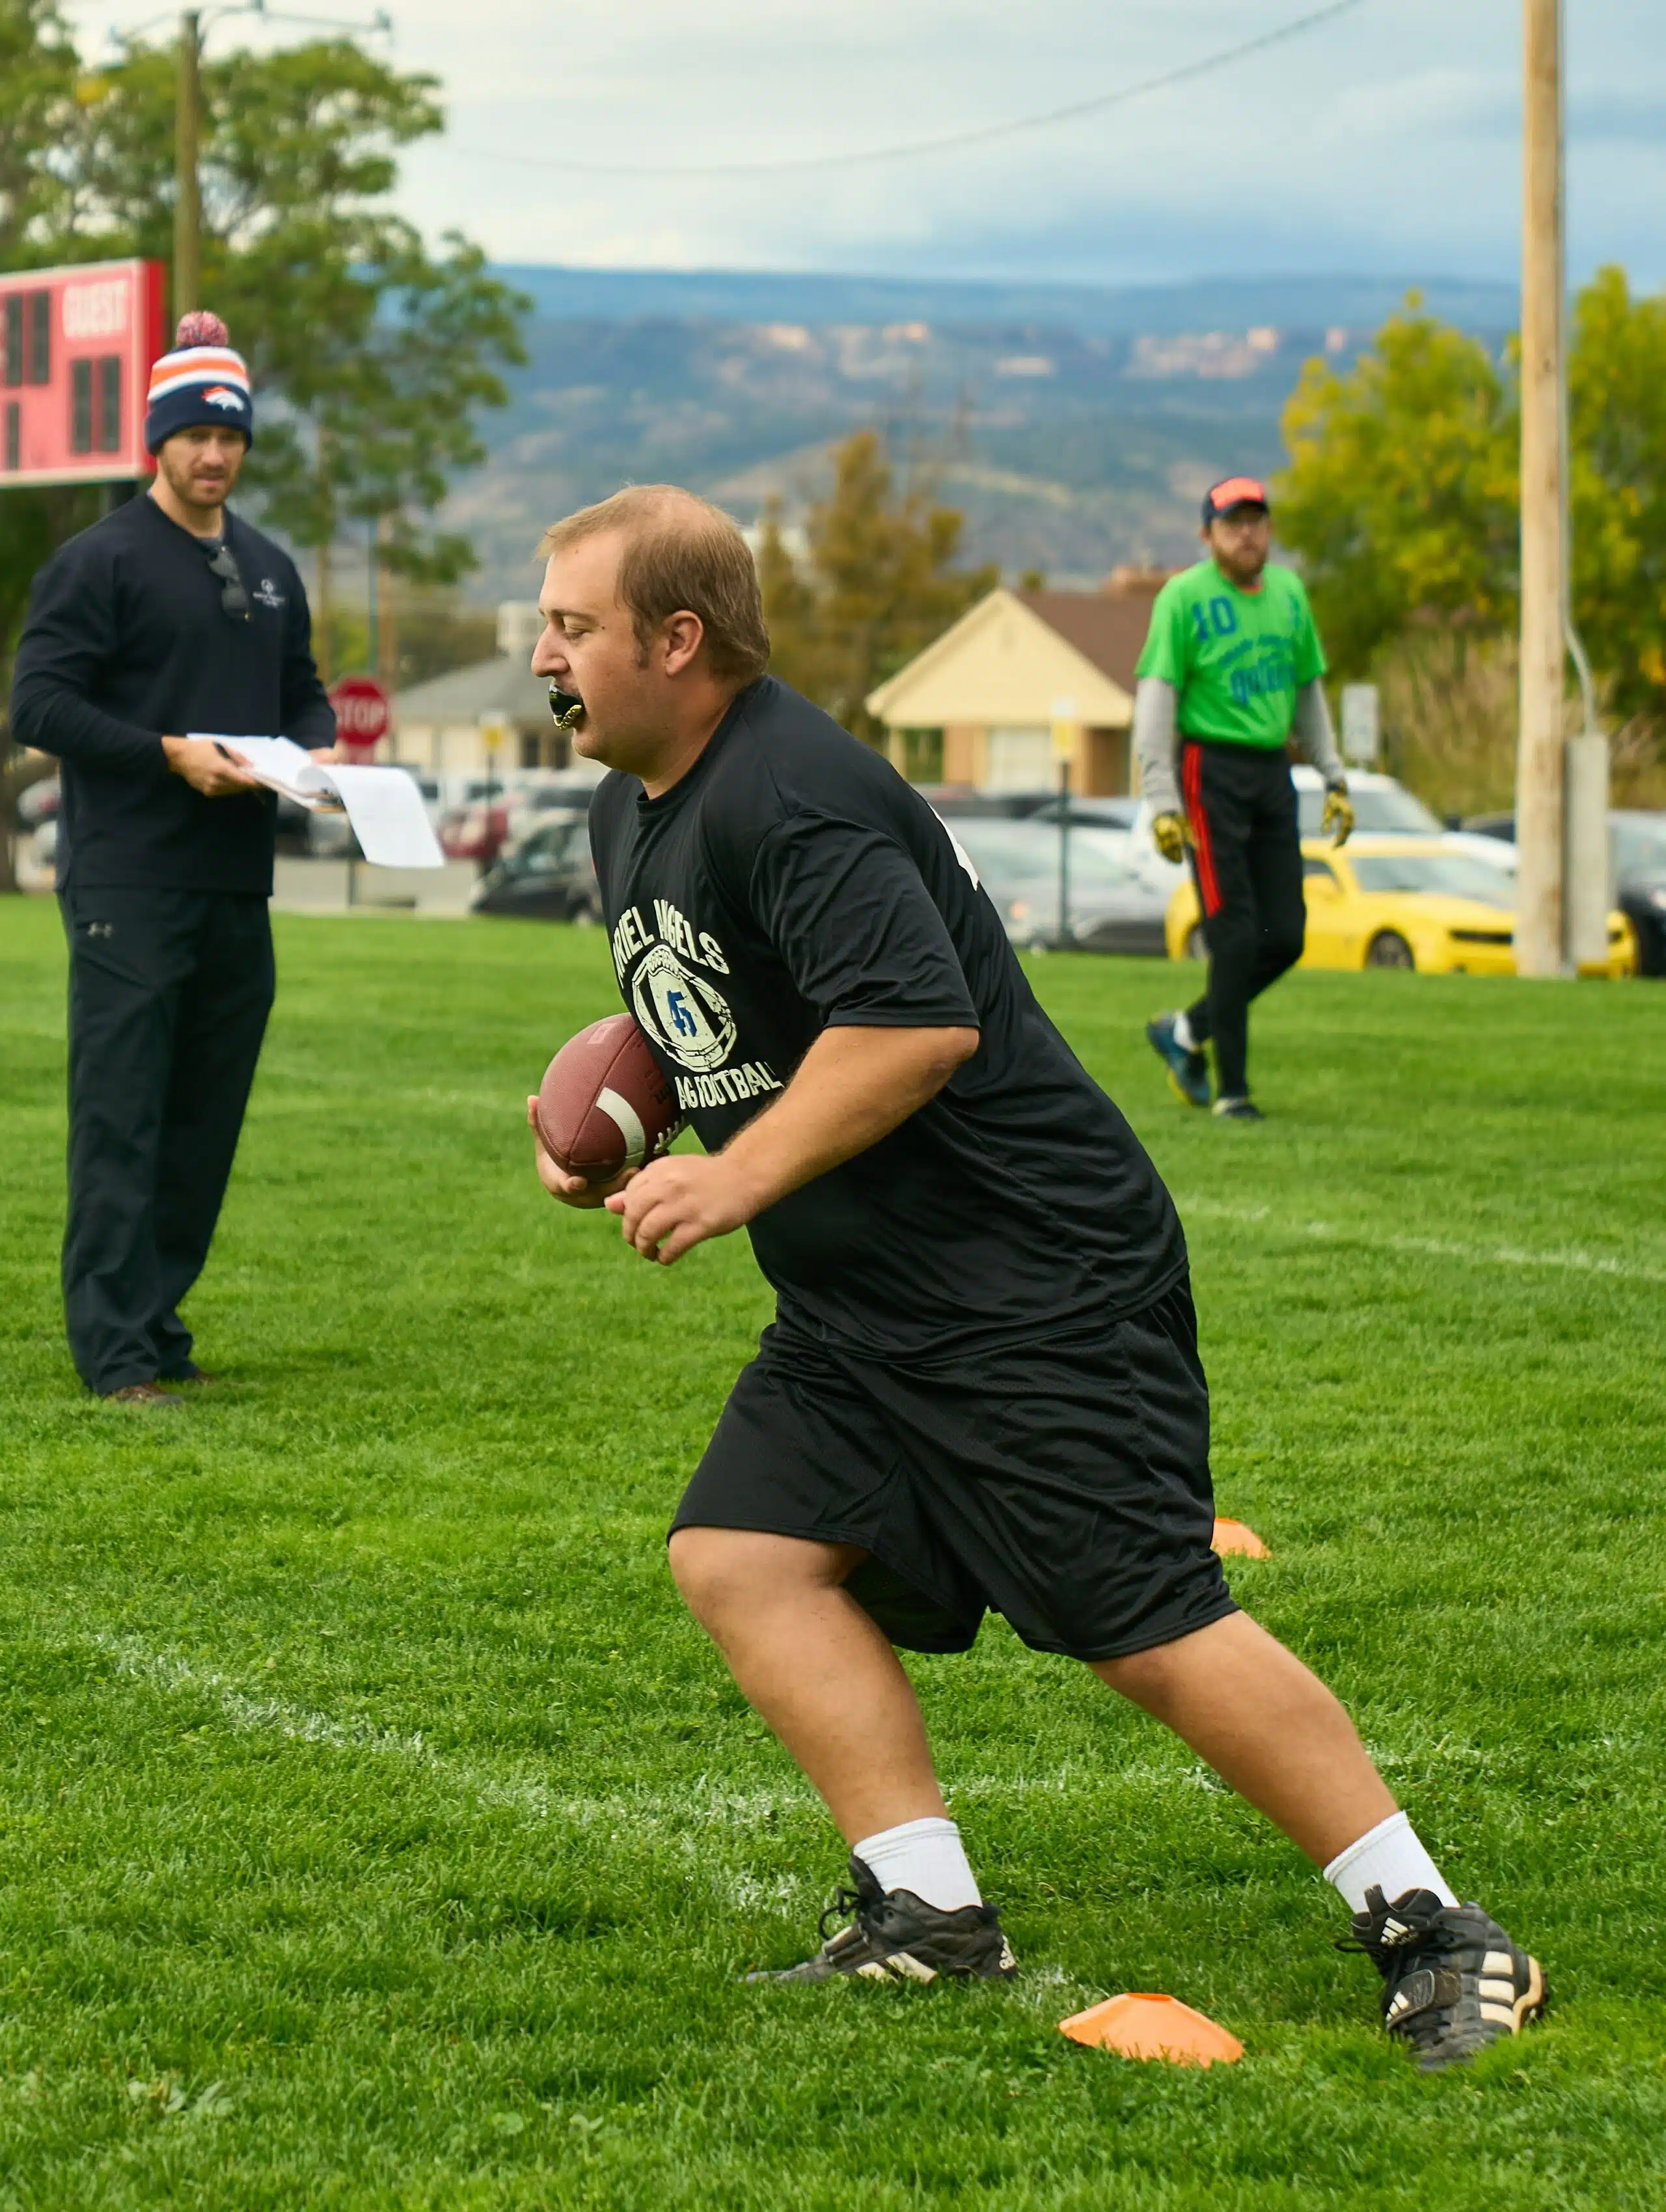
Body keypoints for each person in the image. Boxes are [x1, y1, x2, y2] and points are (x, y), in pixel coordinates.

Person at [522, 484, 1542, 2071]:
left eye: (570, 626)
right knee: (740, 1551)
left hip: (1027, 1273)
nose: (542, 657)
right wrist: (619, 1120)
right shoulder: (633, 806)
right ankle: (928, 1915)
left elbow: (913, 1024)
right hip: (867, 1300)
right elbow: (713, 1005)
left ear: (676, 637)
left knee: (1135, 1617)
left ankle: (1434, 1923)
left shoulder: (789, 789)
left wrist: (731, 1174)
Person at [10, 312, 336, 1408]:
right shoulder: (98, 562)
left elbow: (303, 692)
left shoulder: (270, 566)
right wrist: (165, 755)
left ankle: (158, 1325)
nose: (215, 452)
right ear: (157, 438)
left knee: (203, 1117)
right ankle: (113, 1354)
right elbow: (38, 703)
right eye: (195, 432)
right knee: (124, 1116)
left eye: (231, 435)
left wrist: (320, 752)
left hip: (237, 886)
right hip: (128, 885)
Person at [1136, 475, 1354, 1122]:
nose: (1247, 533)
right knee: (1232, 935)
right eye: (1232, 523)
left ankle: (1184, 1029)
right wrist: (1162, 798)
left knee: (1284, 934)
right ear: (1207, 535)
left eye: (1256, 520)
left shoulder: (1288, 593)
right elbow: (1155, 700)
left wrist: (1333, 774)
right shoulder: (1183, 597)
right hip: (1208, 767)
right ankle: (1232, 1090)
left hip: (1269, 769)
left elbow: (1307, 692)